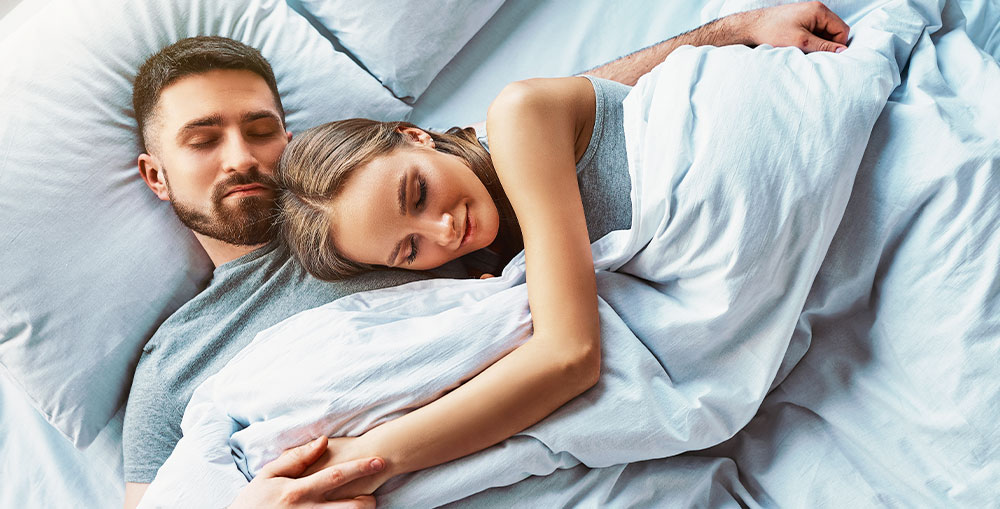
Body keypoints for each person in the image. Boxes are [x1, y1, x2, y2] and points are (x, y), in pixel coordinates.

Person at [123, 2, 850, 507]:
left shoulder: (374, 204)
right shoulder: (173, 368)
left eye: (260, 128)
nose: (242, 156)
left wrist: (740, 29)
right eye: (202, 139)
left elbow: (546, 126)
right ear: (155, 173)